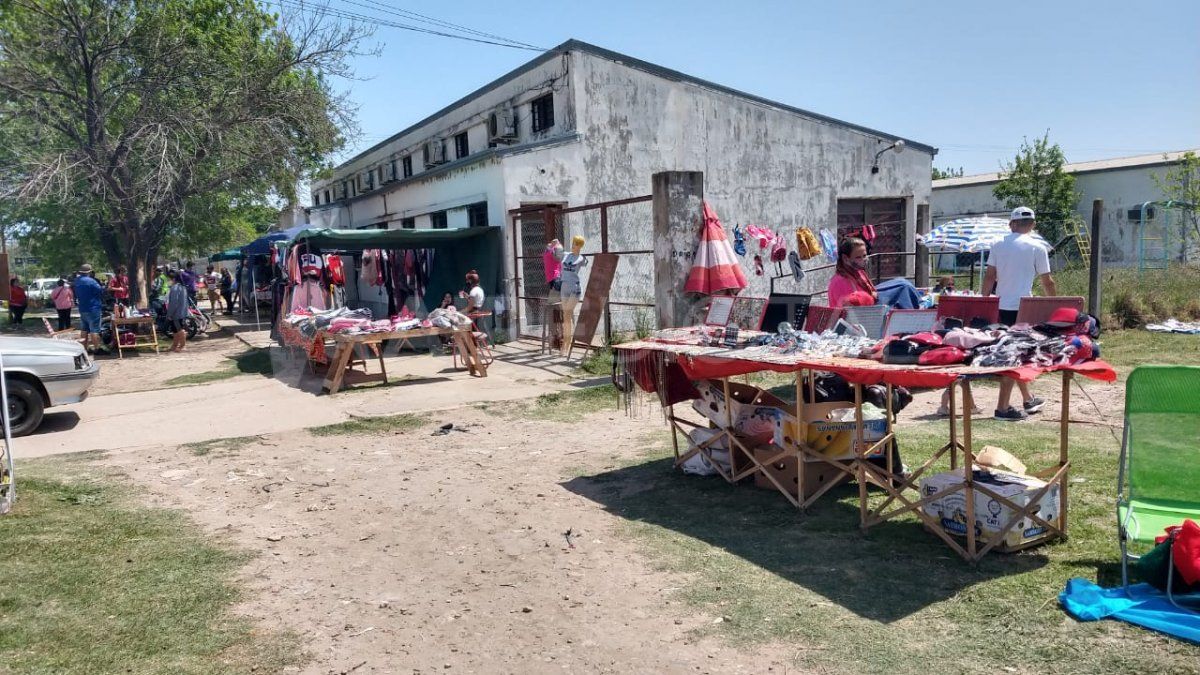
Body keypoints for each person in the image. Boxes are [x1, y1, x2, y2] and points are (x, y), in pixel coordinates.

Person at [983, 206, 1057, 421]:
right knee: (1015, 356)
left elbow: (990, 277)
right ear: (1032, 225)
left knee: (1014, 353)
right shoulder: (1037, 248)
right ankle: (1002, 408)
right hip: (1024, 307)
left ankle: (1028, 398)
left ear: (1011, 224)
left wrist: (984, 301)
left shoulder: (997, 245)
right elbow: (1047, 281)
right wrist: (1054, 305)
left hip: (1000, 306)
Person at [827, 237, 878, 308]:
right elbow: (851, 310)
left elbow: (872, 293)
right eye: (858, 257)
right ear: (845, 258)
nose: (863, 260)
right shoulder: (840, 281)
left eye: (864, 256)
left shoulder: (860, 273)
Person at [73, 264, 106, 353]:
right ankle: (97, 348)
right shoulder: (92, 281)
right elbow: (100, 291)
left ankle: (84, 348)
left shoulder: (76, 281)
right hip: (93, 308)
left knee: (84, 329)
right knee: (94, 329)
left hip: (82, 308)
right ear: (90, 272)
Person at [166, 270, 190, 352]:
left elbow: (173, 303)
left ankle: (183, 346)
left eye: (168, 279)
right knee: (175, 330)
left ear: (173, 279)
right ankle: (174, 345)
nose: (167, 281)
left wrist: (169, 314)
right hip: (182, 311)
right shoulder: (182, 287)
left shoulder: (175, 288)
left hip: (177, 313)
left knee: (179, 329)